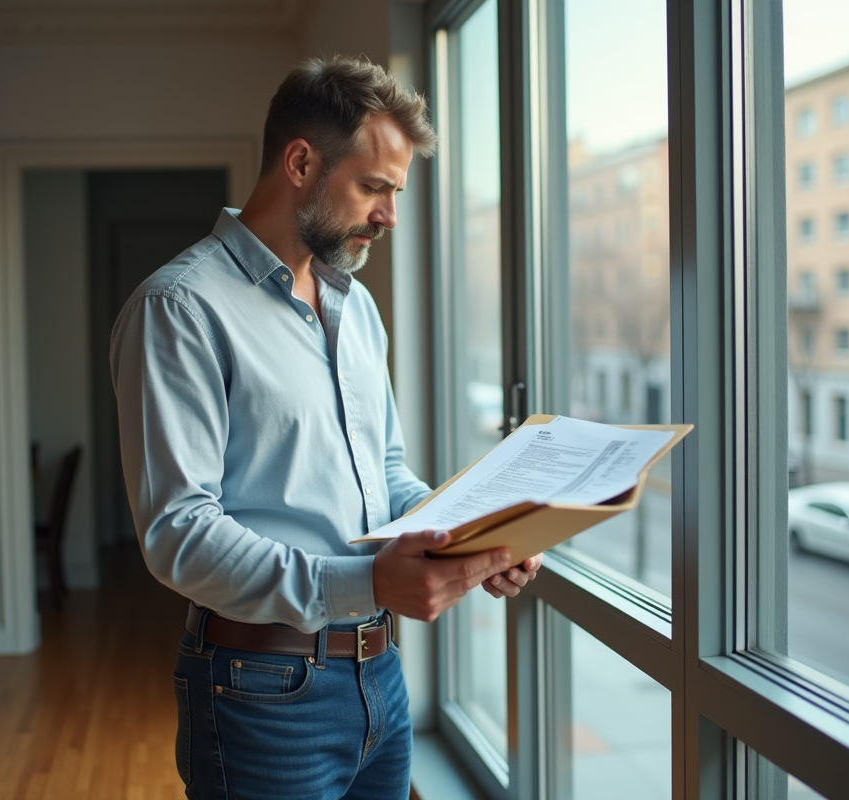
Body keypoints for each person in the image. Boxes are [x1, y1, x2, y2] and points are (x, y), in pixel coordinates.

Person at [110, 55, 542, 800]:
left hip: (381, 679)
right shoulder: (180, 309)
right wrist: (365, 580)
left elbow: (388, 473)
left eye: (396, 192)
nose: (390, 216)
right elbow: (178, 533)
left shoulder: (357, 309)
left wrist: (472, 532)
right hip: (259, 691)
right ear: (302, 162)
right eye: (375, 187)